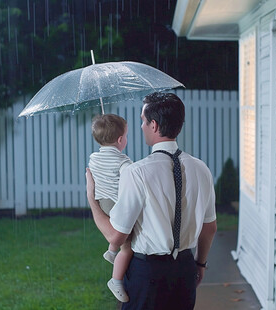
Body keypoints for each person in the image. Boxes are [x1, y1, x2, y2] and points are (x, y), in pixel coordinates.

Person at [86, 92, 217, 310]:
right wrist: (200, 263)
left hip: (147, 274)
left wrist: (91, 197)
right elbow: (210, 227)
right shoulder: (201, 169)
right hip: (185, 269)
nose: (141, 127)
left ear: (153, 125)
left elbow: (116, 235)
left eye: (142, 121)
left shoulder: (137, 173)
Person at [88, 113, 133, 303]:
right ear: (121, 139)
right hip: (116, 203)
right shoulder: (123, 161)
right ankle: (115, 279)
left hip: (102, 202)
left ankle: (112, 250)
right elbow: (131, 179)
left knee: (121, 240)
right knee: (128, 247)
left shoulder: (93, 159)